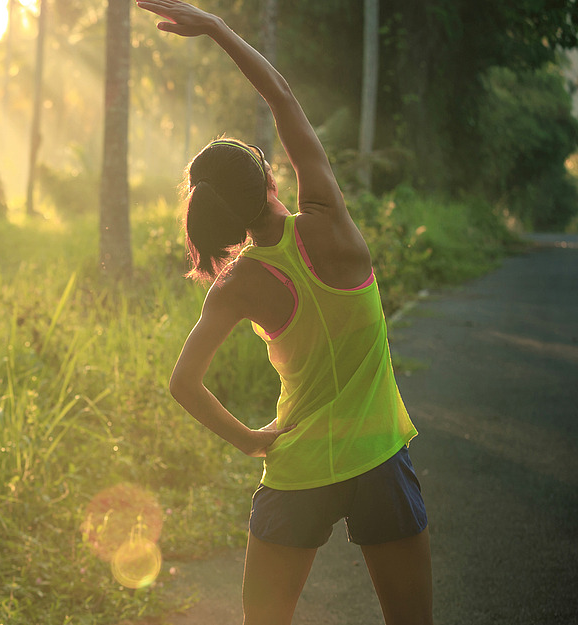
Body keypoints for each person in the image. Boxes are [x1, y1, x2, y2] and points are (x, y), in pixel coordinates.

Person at [135, 1, 433, 624]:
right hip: (379, 456)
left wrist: (251, 441)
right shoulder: (327, 219)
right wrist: (216, 28)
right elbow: (283, 100)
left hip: (296, 467)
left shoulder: (237, 285)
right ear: (270, 173)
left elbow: (182, 384)